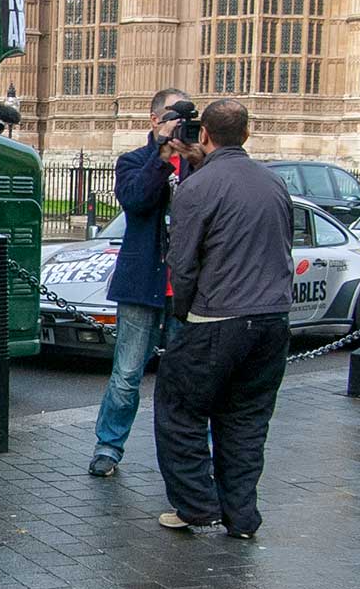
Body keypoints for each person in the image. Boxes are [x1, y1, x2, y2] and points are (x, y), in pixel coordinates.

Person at [152, 98, 293, 539]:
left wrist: (185, 312)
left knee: (179, 409)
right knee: (247, 421)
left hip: (217, 318)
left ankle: (195, 505)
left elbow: (183, 261)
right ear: (247, 135)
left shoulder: (198, 187)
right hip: (272, 319)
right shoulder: (275, 184)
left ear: (206, 135)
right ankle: (242, 517)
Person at [88, 87, 197, 478]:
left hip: (187, 289)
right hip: (142, 284)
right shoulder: (134, 160)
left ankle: (187, 456)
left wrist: (192, 159)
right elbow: (135, 201)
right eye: (174, 115)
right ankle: (108, 446)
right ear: (154, 120)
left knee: (188, 379)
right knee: (127, 374)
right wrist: (164, 157)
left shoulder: (197, 163)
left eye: (187, 115)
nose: (181, 122)